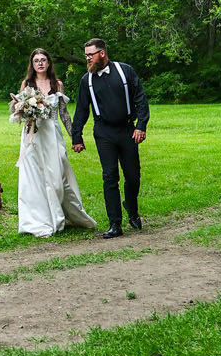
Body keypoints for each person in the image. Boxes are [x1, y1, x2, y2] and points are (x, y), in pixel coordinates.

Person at [71, 37, 150, 238]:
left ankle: (131, 208)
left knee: (133, 176)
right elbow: (81, 110)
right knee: (109, 176)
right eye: (86, 55)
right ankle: (115, 224)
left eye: (90, 55)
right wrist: (76, 137)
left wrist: (141, 125)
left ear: (102, 53)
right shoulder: (86, 81)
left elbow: (140, 98)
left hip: (127, 130)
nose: (87, 58)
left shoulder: (125, 71)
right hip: (103, 132)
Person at [13, 47, 97, 238]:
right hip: (33, 135)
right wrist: (27, 114)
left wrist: (75, 137)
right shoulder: (26, 84)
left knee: (58, 176)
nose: (40, 63)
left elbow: (64, 114)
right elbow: (19, 111)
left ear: (49, 63)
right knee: (34, 178)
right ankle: (37, 219)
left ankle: (62, 214)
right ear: (32, 64)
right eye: (36, 60)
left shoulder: (56, 84)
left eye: (43, 60)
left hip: (52, 133)